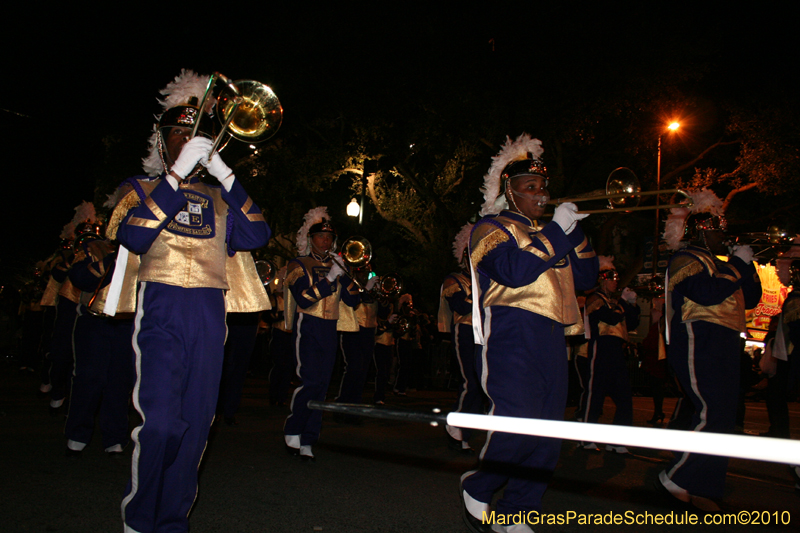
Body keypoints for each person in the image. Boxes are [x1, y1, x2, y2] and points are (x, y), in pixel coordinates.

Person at [113, 70, 271, 532]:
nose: (186, 140)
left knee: (197, 425)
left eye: (193, 135)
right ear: (162, 143)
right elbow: (132, 236)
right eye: (177, 134)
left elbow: (258, 233)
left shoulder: (221, 200)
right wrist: (176, 175)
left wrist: (225, 173)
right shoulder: (139, 189)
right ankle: (140, 519)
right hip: (161, 310)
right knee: (161, 423)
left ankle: (172, 520)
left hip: (208, 314)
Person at [460, 134, 598, 533]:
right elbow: (514, 273)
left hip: (554, 333)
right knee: (518, 421)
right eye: (530, 187)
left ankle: (518, 511)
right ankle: (480, 482)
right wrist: (557, 232)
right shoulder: (489, 228)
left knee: (548, 433)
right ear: (510, 192)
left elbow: (587, 278)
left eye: (544, 187)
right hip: (511, 329)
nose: (541, 194)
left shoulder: (555, 232)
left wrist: (578, 235)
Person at [657, 189, 761, 512]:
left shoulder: (722, 263)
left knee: (724, 417)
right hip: (698, 339)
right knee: (710, 410)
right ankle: (676, 475)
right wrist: (736, 267)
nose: (723, 234)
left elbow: (754, 297)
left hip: (728, 341)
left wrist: (748, 265)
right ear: (701, 229)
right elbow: (706, 293)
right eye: (717, 228)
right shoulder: (685, 259)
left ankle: (703, 485)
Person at [283, 207, 360, 461]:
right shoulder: (298, 264)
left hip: (330, 328)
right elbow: (304, 299)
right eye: (320, 237)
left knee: (323, 387)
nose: (325, 241)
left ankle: (309, 438)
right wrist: (329, 278)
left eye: (329, 238)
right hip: (309, 326)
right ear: (310, 239)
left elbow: (353, 300)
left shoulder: (336, 265)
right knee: (310, 382)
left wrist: (358, 280)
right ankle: (294, 427)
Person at [64, 230, 135, 456]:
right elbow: (80, 279)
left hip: (127, 324)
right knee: (89, 377)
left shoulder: (145, 249)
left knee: (119, 382)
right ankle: (78, 433)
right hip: (95, 322)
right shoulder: (93, 247)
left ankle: (114, 435)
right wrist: (112, 261)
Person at [581, 256, 640, 453]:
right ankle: (585, 437)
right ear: (603, 279)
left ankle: (617, 440)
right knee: (595, 393)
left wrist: (632, 305)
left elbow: (630, 324)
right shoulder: (595, 299)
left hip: (617, 351)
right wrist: (622, 304)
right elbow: (609, 318)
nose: (616, 282)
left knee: (624, 397)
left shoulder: (614, 302)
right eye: (612, 278)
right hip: (601, 348)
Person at [439, 223, 485, 453]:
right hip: (465, 331)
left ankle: (465, 431)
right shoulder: (454, 279)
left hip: (484, 334)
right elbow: (460, 306)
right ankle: (454, 426)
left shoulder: (484, 281)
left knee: (481, 384)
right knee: (469, 381)